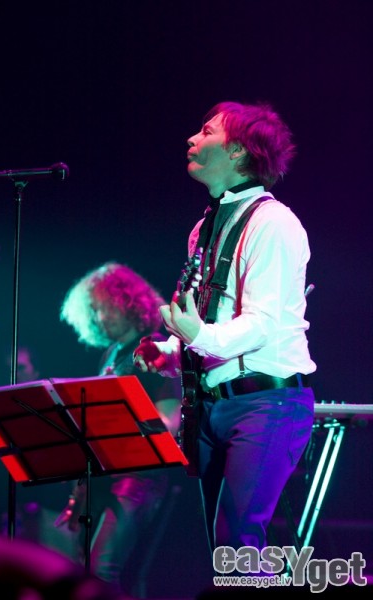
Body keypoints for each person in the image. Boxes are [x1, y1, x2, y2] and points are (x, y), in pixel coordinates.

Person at [133, 101, 317, 575]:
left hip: (265, 404)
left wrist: (196, 334)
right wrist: (170, 351)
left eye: (206, 131)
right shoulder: (204, 227)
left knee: (237, 543)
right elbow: (211, 319)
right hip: (212, 407)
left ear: (237, 150)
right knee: (223, 551)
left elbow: (262, 323)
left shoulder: (273, 223)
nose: (192, 139)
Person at [56, 262, 181, 599]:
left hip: (137, 479)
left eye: (104, 307)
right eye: (93, 311)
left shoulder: (155, 348)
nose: (99, 318)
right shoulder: (111, 355)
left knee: (103, 569)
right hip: (104, 478)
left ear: (128, 303)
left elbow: (170, 421)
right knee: (88, 572)